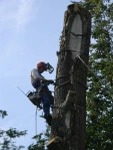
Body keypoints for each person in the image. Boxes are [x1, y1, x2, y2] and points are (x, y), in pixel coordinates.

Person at [31, 62, 54, 126]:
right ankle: (47, 116)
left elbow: (43, 81)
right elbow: (37, 77)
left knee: (53, 101)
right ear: (40, 67)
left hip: (45, 90)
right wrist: (47, 80)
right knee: (46, 101)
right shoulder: (34, 71)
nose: (43, 71)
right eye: (43, 69)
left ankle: (55, 113)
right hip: (41, 90)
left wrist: (49, 82)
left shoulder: (41, 76)